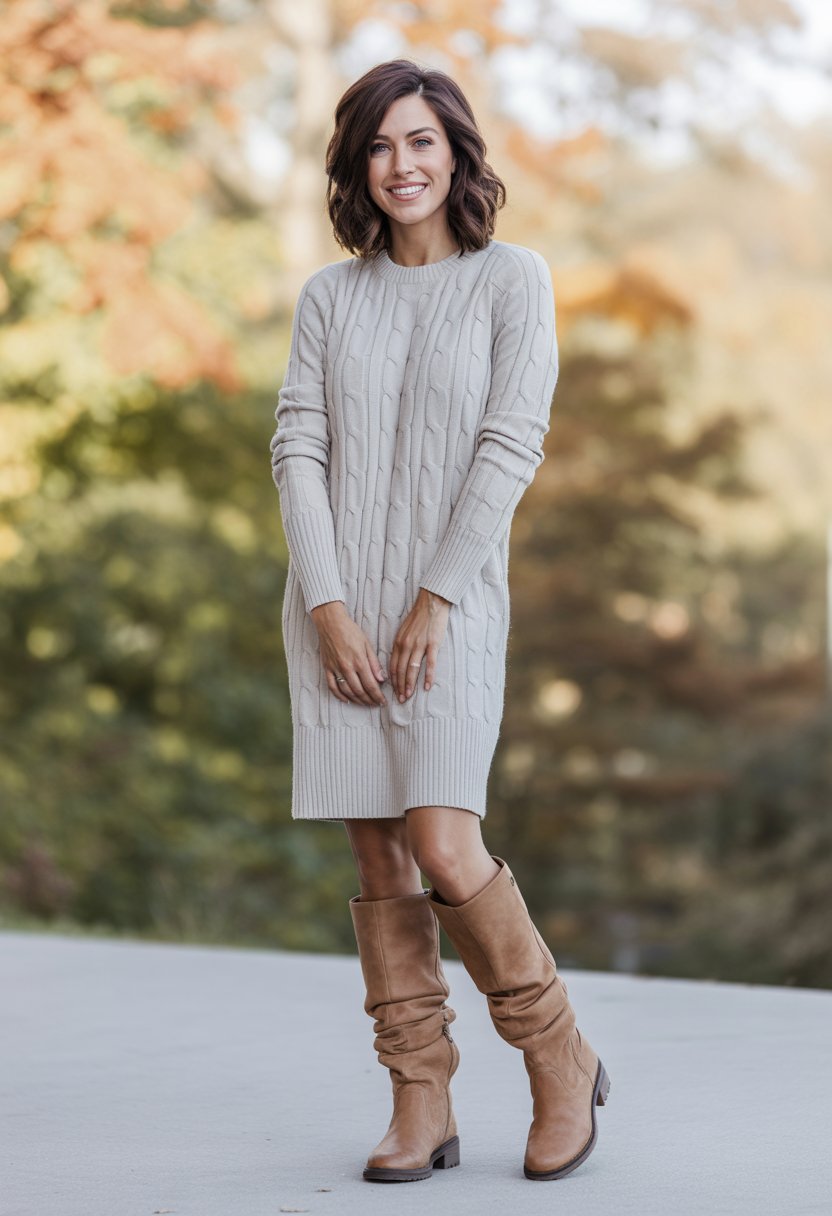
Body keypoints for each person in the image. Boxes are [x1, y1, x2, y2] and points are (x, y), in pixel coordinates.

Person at [270, 58, 610, 1184]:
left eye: (419, 141)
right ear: (356, 167)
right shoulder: (330, 296)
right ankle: (420, 1096)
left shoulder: (513, 280)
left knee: (442, 842)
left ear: (456, 152)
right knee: (378, 858)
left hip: (450, 606)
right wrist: (327, 606)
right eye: (377, 145)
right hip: (333, 613)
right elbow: (299, 450)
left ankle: (559, 1058)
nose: (400, 164)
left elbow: (512, 443)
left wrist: (433, 596)